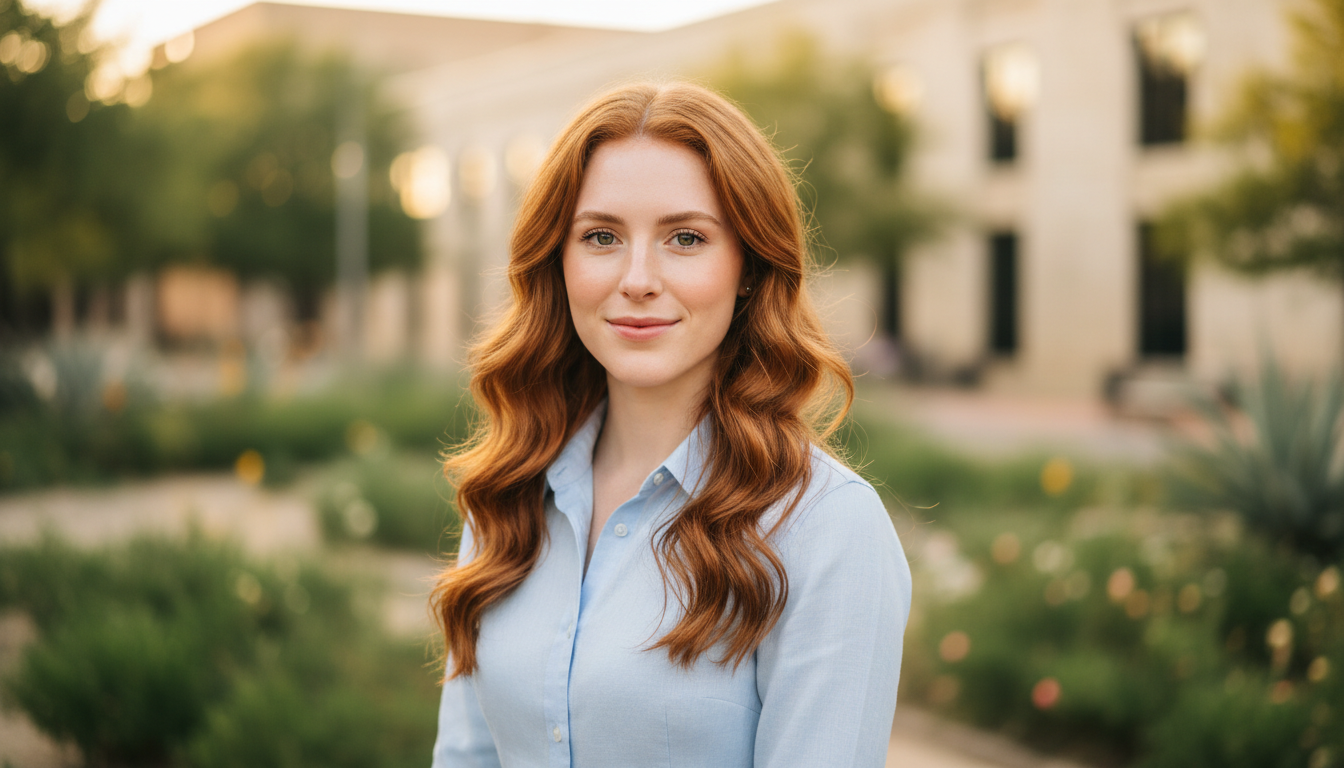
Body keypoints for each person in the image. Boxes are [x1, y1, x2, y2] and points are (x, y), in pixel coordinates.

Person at [429, 81, 912, 768]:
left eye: (686, 238)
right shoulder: (508, 493)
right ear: (557, 262)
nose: (637, 278)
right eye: (601, 237)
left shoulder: (827, 530)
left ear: (747, 266)